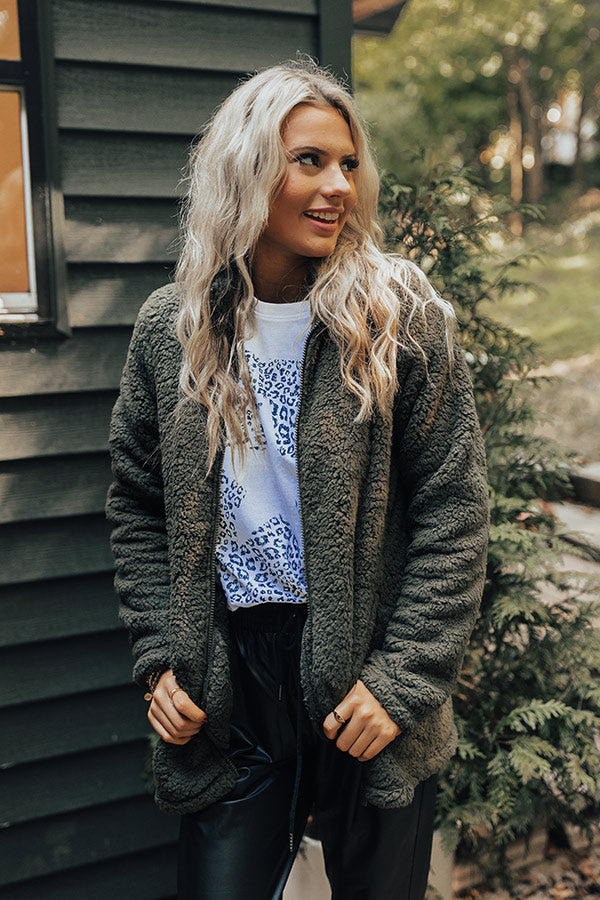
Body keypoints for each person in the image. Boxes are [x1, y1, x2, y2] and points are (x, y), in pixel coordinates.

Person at [106, 59, 489, 900]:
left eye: (348, 163)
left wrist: (401, 680)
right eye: (308, 161)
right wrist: (162, 659)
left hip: (368, 676)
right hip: (231, 689)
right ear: (244, 171)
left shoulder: (398, 317)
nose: (339, 186)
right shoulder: (172, 331)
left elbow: (454, 512)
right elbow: (137, 504)